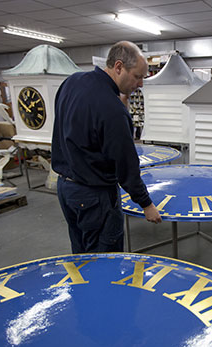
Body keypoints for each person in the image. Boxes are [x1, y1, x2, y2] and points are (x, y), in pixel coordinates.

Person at [52, 41, 162, 254]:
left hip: (66, 189)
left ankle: (84, 287)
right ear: (119, 67)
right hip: (95, 196)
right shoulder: (112, 110)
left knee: (81, 253)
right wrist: (147, 204)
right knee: (105, 260)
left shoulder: (71, 82)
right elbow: (126, 168)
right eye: (137, 76)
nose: (140, 84)